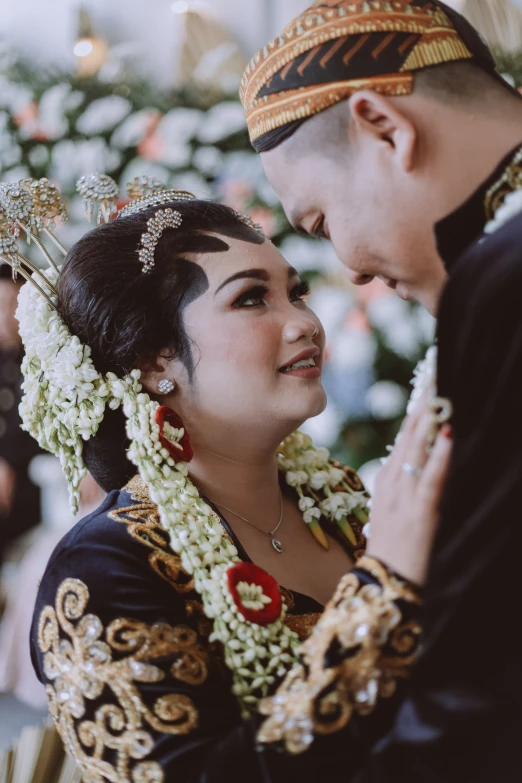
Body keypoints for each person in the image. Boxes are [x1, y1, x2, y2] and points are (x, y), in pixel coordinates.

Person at [2, 181, 449, 782]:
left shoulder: (333, 496)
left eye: (298, 292)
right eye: (251, 300)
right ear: (154, 360)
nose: (303, 323)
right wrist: (385, 591)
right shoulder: (105, 568)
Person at [240, 0, 522, 779]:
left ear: (385, 128)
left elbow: (486, 674)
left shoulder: (503, 283)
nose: (354, 271)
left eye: (323, 220)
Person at [0, 264, 41, 563]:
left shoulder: (43, 358)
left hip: (33, 482)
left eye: (12, 304)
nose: (4, 317)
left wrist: (7, 461)